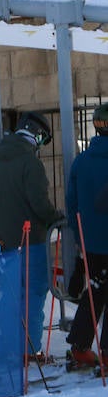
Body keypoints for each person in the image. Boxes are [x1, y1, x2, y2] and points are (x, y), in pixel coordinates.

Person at [0, 111, 62, 362]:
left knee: (10, 295)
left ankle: (1, 348)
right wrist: (55, 218)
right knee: (33, 294)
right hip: (31, 240)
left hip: (5, 242)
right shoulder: (30, 163)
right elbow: (39, 204)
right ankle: (29, 350)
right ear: (37, 134)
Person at [66, 103, 108, 369]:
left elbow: (71, 203)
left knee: (94, 291)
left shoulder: (81, 161)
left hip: (90, 240)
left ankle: (80, 347)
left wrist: (79, 234)